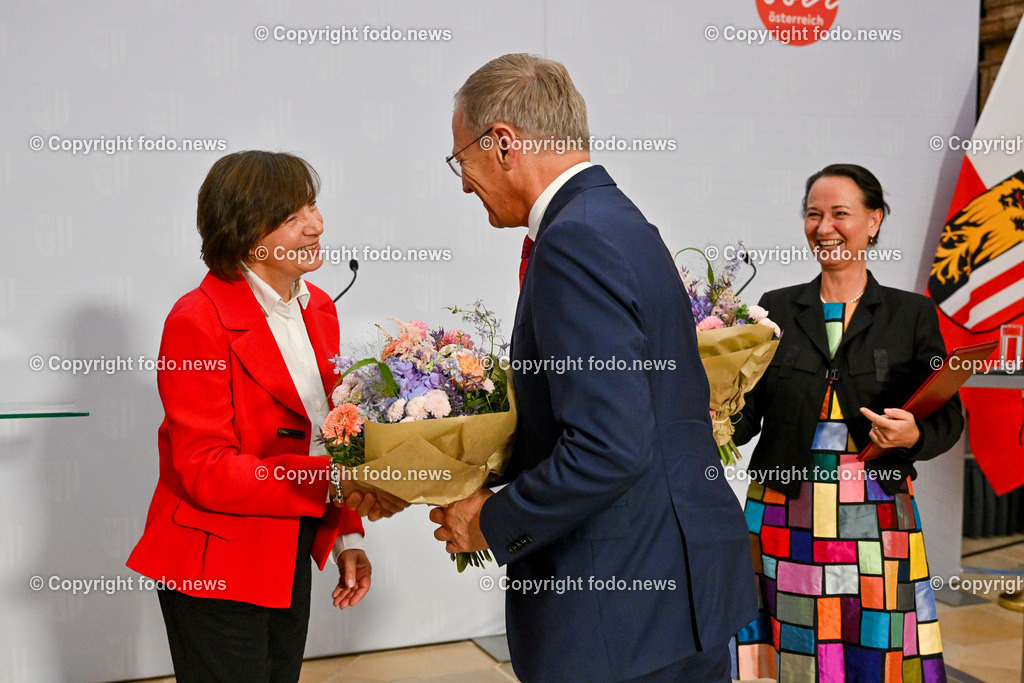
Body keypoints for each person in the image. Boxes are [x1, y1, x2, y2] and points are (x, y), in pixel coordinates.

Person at [430, 54, 756, 682]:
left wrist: (490, 521)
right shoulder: (620, 220)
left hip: (619, 610)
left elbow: (610, 447)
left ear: (503, 144)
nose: (464, 181)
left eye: (461, 159)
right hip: (674, 591)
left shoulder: (573, 240)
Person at [127, 151, 407, 682]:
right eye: (292, 216)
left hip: (288, 544)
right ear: (244, 231)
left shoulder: (318, 304)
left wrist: (346, 533)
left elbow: (330, 431)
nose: (316, 225)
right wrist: (332, 484)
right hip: (216, 560)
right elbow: (206, 468)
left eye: (313, 206)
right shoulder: (196, 320)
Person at [730, 164, 964, 682]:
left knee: (874, 644)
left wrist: (915, 435)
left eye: (840, 213)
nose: (824, 227)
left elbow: (948, 413)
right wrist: (710, 415)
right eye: (813, 215)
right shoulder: (775, 310)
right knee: (794, 641)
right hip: (785, 511)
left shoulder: (912, 315)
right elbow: (748, 411)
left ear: (874, 221)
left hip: (876, 517)